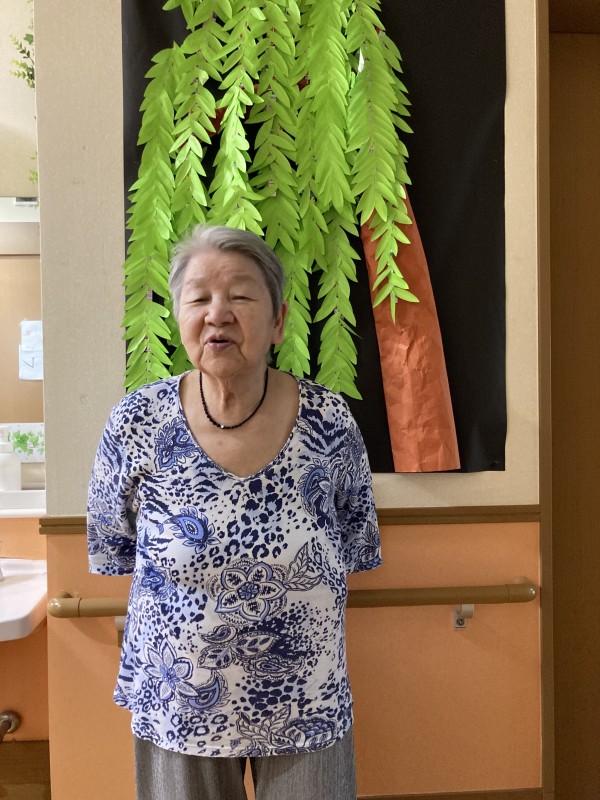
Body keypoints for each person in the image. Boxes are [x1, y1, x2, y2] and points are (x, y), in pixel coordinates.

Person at [87, 225, 382, 800]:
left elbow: (355, 539)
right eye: (198, 297)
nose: (217, 314)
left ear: (278, 320)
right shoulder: (137, 423)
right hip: (179, 699)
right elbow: (114, 545)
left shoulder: (329, 421)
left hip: (306, 699)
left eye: (241, 296)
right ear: (179, 316)